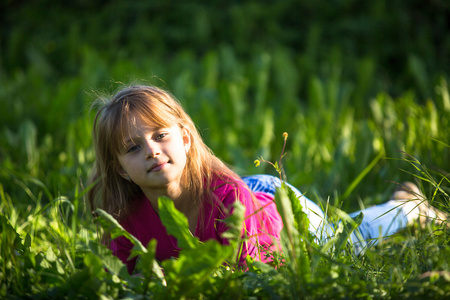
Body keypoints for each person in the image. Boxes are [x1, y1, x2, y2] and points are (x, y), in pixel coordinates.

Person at [87, 85, 448, 274]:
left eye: (160, 135)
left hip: (274, 209)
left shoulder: (224, 198)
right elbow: (123, 281)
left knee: (348, 239)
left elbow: (249, 278)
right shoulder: (123, 219)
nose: (151, 150)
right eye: (133, 148)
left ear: (185, 137)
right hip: (245, 192)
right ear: (119, 167)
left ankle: (408, 208)